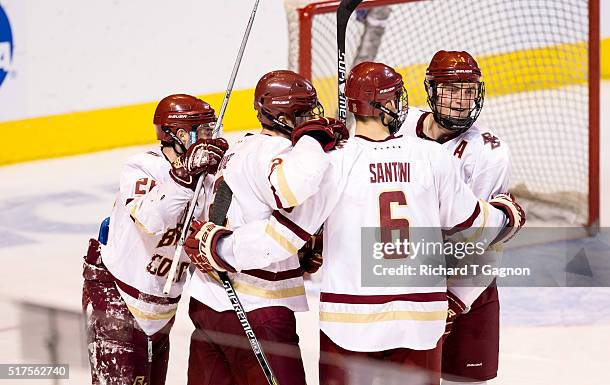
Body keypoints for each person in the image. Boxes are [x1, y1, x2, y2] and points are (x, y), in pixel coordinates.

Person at [186, 62, 525, 385]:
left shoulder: (332, 164)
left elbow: (280, 240)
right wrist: (508, 215)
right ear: (388, 104)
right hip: (419, 318)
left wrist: (219, 247)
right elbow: (476, 227)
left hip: (350, 321)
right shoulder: (434, 158)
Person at [185, 70, 348, 385]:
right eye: (303, 113)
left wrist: (300, 257)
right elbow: (287, 204)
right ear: (283, 115)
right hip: (257, 307)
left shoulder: (241, 146)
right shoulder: (281, 154)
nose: (311, 119)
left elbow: (244, 211)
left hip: (208, 302)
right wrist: (314, 143)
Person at [81, 94, 228, 385]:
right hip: (117, 294)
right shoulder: (142, 167)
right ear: (181, 134)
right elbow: (151, 220)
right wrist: (184, 173)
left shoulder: (209, 178)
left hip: (161, 306)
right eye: (206, 130)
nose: (212, 137)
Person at [398, 50, 509, 384]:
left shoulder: (489, 152)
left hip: (467, 285)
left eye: (469, 90)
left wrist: (453, 301)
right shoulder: (397, 127)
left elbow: (480, 239)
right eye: (451, 90)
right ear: (431, 89)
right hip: (403, 286)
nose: (461, 101)